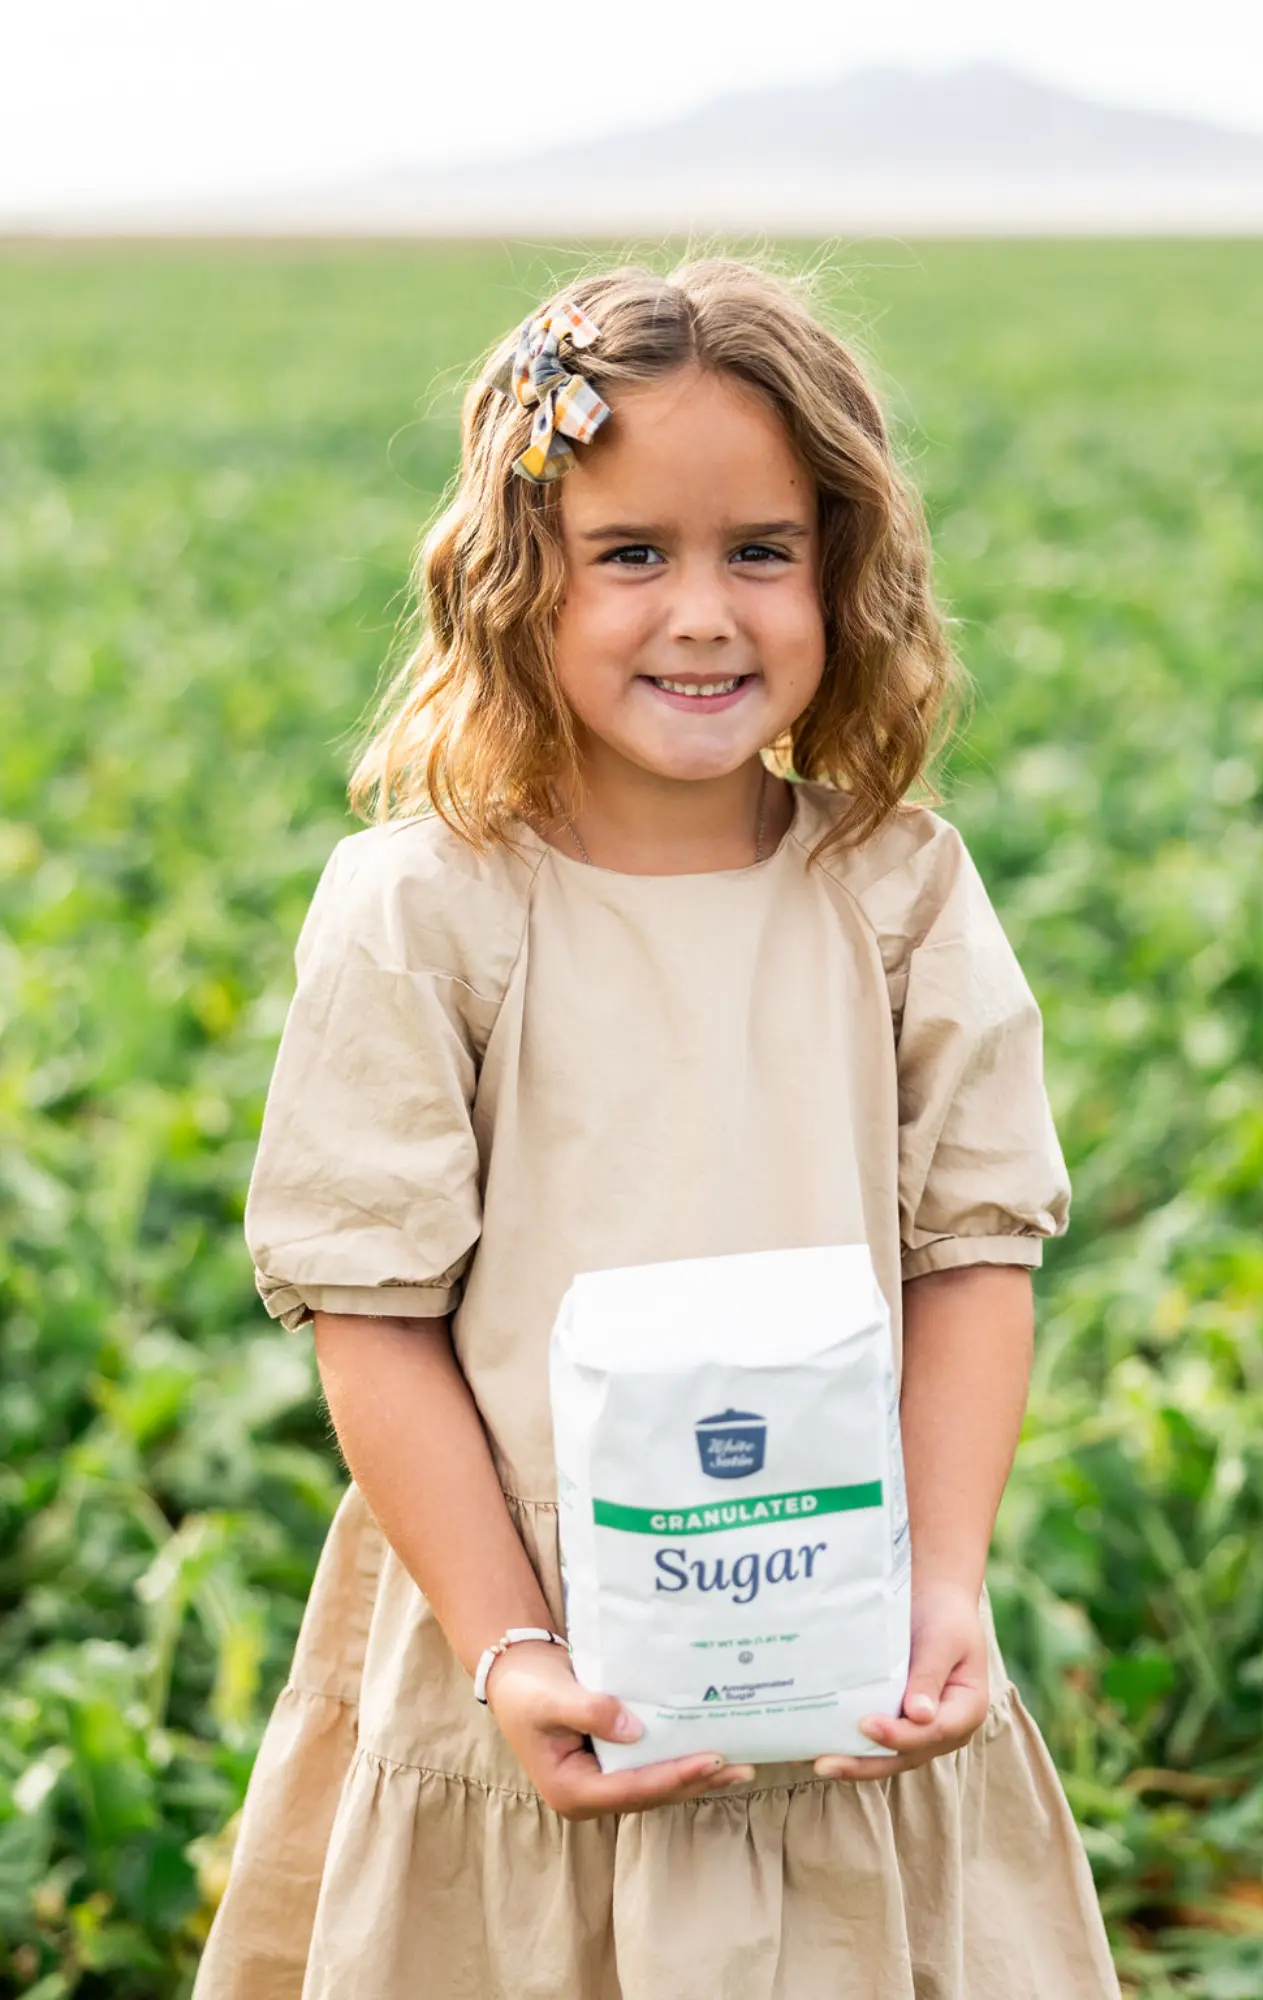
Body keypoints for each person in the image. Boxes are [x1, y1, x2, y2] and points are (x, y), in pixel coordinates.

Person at [193, 257, 1120, 2000]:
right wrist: (509, 1647)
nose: (704, 612)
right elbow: (372, 1316)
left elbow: (973, 1258)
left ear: (841, 574)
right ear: (512, 583)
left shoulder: (902, 892)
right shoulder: (423, 911)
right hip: (525, 1639)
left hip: (840, 1642)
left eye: (759, 551)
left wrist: (941, 1591)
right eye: (632, 555)